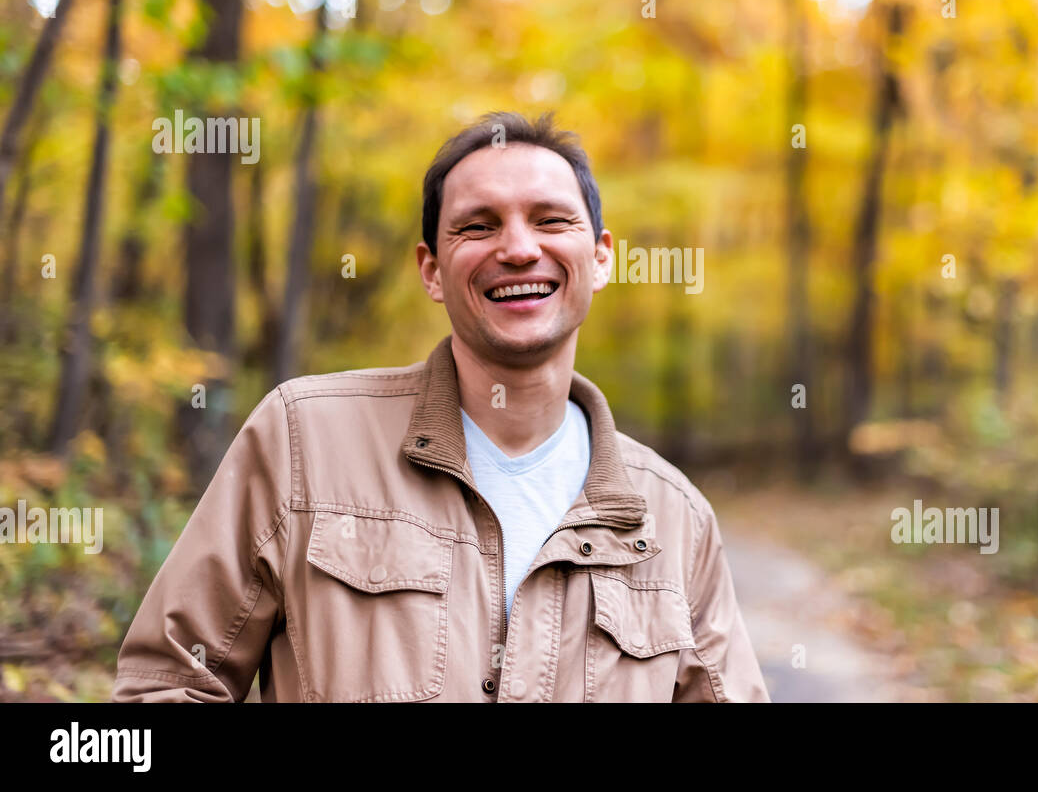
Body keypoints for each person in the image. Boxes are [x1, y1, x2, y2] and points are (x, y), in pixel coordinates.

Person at [112, 110, 770, 702]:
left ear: (599, 257)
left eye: (550, 219)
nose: (517, 248)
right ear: (431, 269)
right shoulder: (303, 441)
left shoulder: (675, 517)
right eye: (478, 226)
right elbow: (168, 681)